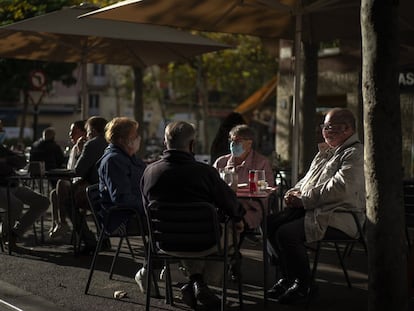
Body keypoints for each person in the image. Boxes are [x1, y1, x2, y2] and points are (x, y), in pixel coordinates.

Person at [140, 121, 245, 309]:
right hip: (204, 242)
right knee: (232, 232)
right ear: (192, 145)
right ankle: (201, 284)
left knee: (186, 232)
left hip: (165, 242)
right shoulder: (205, 173)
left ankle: (195, 283)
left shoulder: (149, 173)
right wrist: (238, 217)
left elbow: (145, 209)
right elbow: (231, 206)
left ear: (165, 143)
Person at [266, 108, 365, 304]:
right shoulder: (326, 152)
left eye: (329, 127)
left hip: (340, 216)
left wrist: (304, 200)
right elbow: (306, 181)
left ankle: (305, 285)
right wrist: (292, 193)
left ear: (347, 129)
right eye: (323, 127)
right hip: (315, 210)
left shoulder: (355, 153)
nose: (324, 131)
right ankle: (287, 279)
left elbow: (339, 188)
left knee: (287, 234)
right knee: (269, 223)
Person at [213, 124, 275, 229]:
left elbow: (265, 193)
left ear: (249, 143)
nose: (233, 144)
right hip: (223, 208)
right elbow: (211, 185)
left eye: (237, 141)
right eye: (231, 141)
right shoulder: (221, 162)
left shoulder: (261, 163)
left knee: (232, 223)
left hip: (250, 209)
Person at [97, 117, 145, 236]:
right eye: (134, 136)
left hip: (135, 214)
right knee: (169, 219)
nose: (138, 138)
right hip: (122, 220)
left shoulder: (126, 156)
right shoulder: (113, 161)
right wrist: (149, 207)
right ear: (121, 140)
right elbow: (122, 198)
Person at [0, 142, 50, 250]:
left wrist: (6, 160)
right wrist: (9, 162)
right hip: (1, 187)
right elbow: (3, 168)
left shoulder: (1, 148)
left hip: (13, 185)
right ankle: (5, 236)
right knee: (16, 205)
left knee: (43, 202)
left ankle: (14, 234)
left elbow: (21, 161)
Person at [49, 120, 86, 239]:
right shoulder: (74, 148)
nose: (70, 134)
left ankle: (63, 224)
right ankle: (58, 223)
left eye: (73, 131)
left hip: (82, 185)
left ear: (83, 132)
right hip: (73, 183)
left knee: (61, 185)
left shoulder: (86, 147)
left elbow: (80, 170)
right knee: (54, 194)